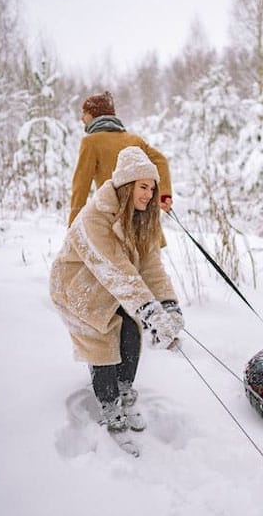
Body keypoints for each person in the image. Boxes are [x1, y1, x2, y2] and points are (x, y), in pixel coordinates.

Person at [50, 146, 183, 455]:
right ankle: (111, 411)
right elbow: (116, 270)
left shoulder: (144, 219)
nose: (149, 194)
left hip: (111, 287)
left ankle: (125, 393)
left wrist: (168, 305)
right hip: (77, 287)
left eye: (152, 187)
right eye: (143, 186)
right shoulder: (93, 218)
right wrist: (150, 310)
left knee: (130, 332)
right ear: (127, 184)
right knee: (102, 340)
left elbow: (151, 267)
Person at [69, 91, 173, 226]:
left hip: (114, 217)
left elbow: (81, 184)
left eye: (84, 113)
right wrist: (164, 195)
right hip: (141, 217)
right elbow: (161, 161)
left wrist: (74, 222)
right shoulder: (134, 139)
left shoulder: (91, 142)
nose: (82, 118)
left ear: (95, 114)